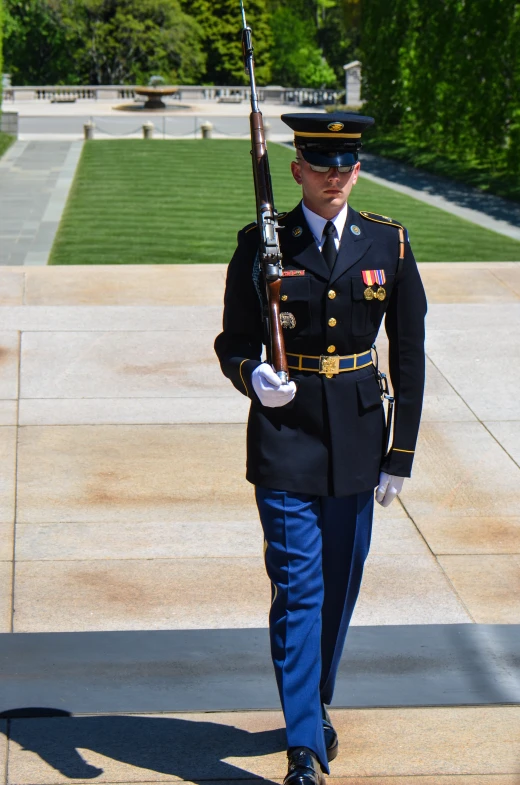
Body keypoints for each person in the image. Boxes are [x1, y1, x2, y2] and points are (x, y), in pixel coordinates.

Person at [214, 112, 428, 785]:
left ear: (357, 170)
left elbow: (411, 351)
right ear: (296, 168)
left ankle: (313, 697)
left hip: (360, 438)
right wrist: (254, 377)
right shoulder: (261, 245)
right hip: (286, 438)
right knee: (299, 589)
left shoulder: (387, 244)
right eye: (319, 163)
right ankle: (304, 744)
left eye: (345, 164)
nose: (333, 176)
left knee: (340, 587)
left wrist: (402, 452)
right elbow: (232, 344)